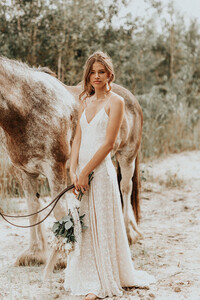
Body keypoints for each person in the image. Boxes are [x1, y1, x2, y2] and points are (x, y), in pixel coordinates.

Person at [64, 51, 155, 300]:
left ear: (109, 74)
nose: (96, 76)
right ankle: (85, 275)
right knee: (84, 224)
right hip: (80, 172)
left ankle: (99, 282)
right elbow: (77, 139)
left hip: (100, 171)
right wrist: (73, 170)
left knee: (100, 223)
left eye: (101, 72)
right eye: (92, 72)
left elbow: (108, 144)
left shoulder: (116, 102)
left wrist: (85, 171)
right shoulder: (85, 101)